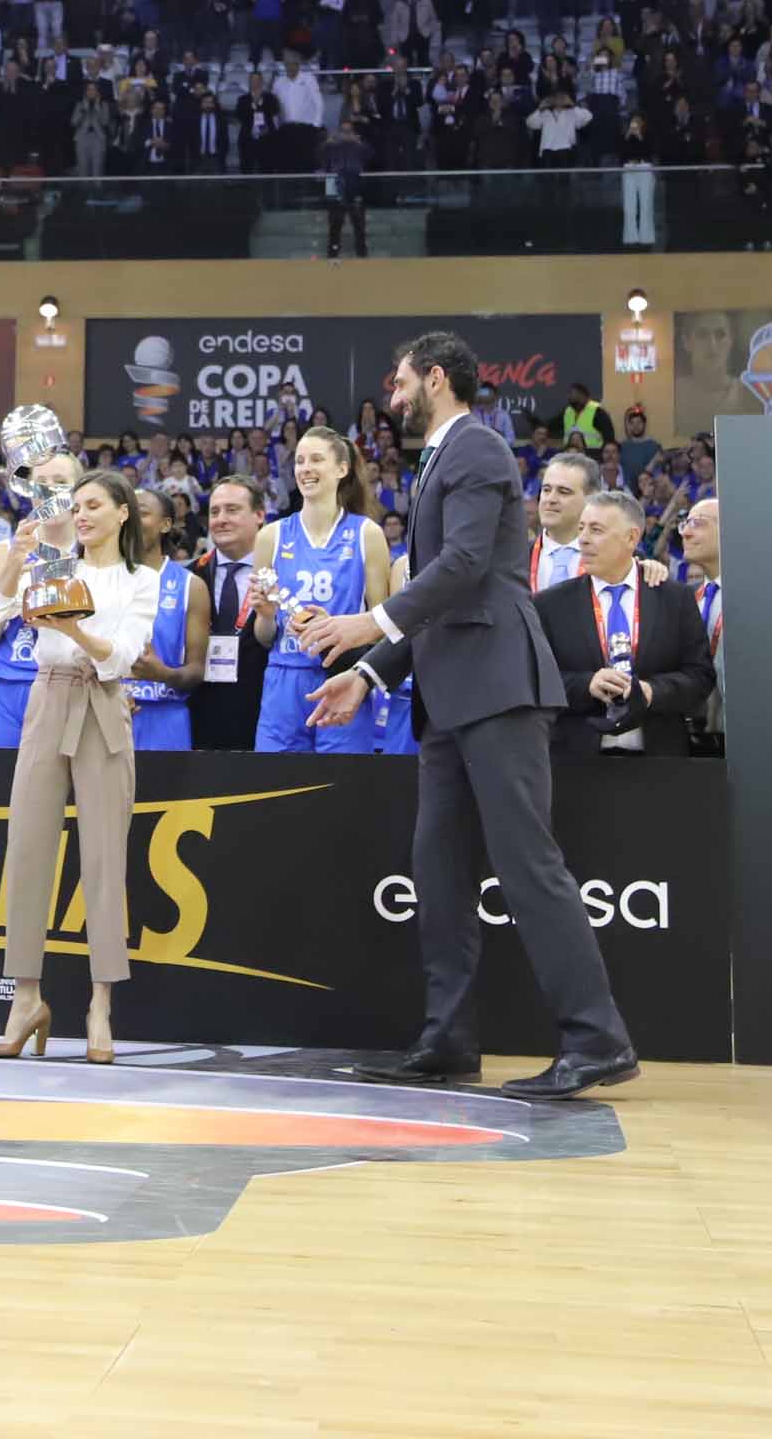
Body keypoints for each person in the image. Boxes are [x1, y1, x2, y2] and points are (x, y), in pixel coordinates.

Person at [304, 329, 637, 1102]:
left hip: (497, 688)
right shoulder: (439, 459)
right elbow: (448, 596)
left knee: (527, 864)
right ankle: (448, 1040)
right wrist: (367, 671)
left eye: (400, 379)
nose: (391, 393)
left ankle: (597, 1039)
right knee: (440, 871)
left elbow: (460, 571)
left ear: (437, 378)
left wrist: (370, 625)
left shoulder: (479, 448)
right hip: (448, 696)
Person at [0, 467, 158, 1065]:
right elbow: (1, 604)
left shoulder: (143, 580)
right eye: (76, 505)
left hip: (103, 703)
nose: (80, 514)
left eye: (93, 505)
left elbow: (124, 657)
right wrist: (17, 553)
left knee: (104, 858)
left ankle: (99, 1006)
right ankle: (24, 1000)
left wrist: (73, 630)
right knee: (28, 848)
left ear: (122, 512)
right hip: (47, 695)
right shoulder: (56, 562)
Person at [529, 490, 714, 762]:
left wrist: (652, 692)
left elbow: (700, 677)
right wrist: (587, 684)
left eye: (596, 530)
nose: (583, 539)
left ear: (631, 538)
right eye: (582, 528)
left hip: (659, 764)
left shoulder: (674, 599)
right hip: (577, 765)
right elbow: (536, 679)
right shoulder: (550, 604)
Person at [250, 425, 392, 754]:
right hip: (283, 680)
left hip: (342, 677)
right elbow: (263, 635)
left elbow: (383, 630)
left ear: (342, 469)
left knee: (340, 793)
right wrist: (267, 616)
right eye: (300, 461)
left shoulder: (366, 534)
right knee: (274, 793)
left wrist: (339, 630)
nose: (306, 468)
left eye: (316, 459)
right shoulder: (270, 537)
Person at [0, 453, 70, 750]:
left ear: (80, 491)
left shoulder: (94, 556)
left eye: (61, 482)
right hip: (3, 691)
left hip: (66, 688)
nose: (49, 490)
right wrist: (10, 600)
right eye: (41, 483)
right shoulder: (2, 553)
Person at [187, 475, 272, 751]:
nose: (221, 519)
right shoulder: (187, 576)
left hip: (264, 716)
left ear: (260, 515)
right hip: (200, 717)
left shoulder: (281, 574)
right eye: (214, 512)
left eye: (232, 510)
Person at [123, 485, 207, 752]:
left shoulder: (190, 586)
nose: (132, 520)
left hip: (166, 717)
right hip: (108, 714)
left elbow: (196, 671)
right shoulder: (100, 578)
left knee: (166, 795)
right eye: (127, 513)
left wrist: (163, 674)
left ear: (165, 524)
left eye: (142, 513)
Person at [680, 497, 725, 755]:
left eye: (697, 523)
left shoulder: (757, 599)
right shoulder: (686, 597)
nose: (686, 532)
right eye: (685, 524)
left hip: (747, 735)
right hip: (693, 740)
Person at [527, 452, 595, 593]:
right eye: (546, 490)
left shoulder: (616, 558)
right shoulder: (514, 558)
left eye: (564, 492)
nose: (550, 499)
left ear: (592, 498)